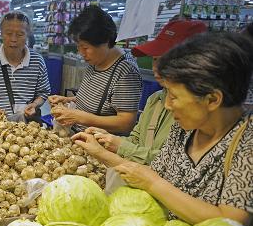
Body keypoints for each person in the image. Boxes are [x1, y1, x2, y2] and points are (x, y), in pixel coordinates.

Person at [73, 32, 253, 226]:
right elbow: (154, 173)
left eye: (174, 97)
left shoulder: (246, 142)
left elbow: (230, 223)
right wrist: (101, 153)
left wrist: (152, 183)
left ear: (212, 99)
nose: (167, 104)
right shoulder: (184, 128)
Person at [83, 20, 207, 168]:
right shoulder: (155, 100)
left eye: (166, 59)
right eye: (155, 59)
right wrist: (108, 139)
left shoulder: (199, 114)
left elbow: (175, 165)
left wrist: (120, 146)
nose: (156, 67)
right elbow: (137, 140)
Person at [50, 6, 142, 135]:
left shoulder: (126, 72)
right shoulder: (96, 61)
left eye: (85, 47)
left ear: (105, 41)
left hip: (99, 146)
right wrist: (68, 100)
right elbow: (99, 100)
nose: (81, 53)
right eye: (78, 47)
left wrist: (79, 117)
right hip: (77, 136)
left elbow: (126, 124)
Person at [0, 11, 50, 120]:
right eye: (8, 33)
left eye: (20, 34)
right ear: (1, 33)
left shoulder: (37, 61)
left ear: (28, 35)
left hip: (28, 127)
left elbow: (43, 92)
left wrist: (35, 104)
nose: (13, 39)